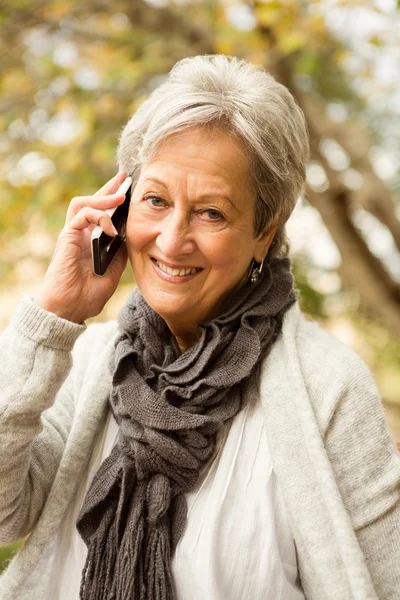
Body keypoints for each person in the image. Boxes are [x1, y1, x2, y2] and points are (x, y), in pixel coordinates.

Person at [0, 54, 399, 600]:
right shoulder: (92, 360)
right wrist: (53, 314)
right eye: (155, 200)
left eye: (210, 212)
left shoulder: (329, 387)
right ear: (119, 208)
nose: (170, 239)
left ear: (265, 231)